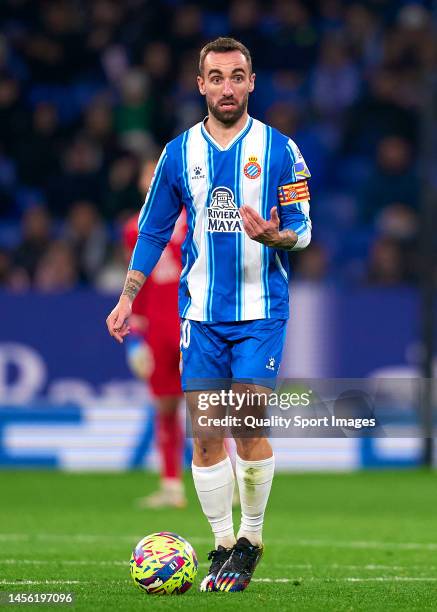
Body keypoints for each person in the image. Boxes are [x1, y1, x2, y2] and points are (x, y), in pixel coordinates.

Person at [107, 37, 312, 593]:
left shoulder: (281, 150)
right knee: (205, 437)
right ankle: (222, 545)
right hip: (198, 316)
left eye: (237, 76)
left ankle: (251, 538)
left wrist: (278, 235)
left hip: (260, 312)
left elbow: (304, 227)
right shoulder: (178, 154)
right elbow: (152, 230)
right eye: (216, 77)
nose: (227, 86)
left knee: (245, 426)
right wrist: (129, 296)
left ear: (251, 82)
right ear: (201, 85)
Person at [122, 157, 186, 508]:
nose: (153, 179)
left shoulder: (200, 218)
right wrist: (135, 339)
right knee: (165, 404)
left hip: (194, 320)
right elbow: (138, 285)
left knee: (208, 402)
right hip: (158, 327)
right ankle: (171, 485)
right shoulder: (133, 228)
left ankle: (231, 478)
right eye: (148, 173)